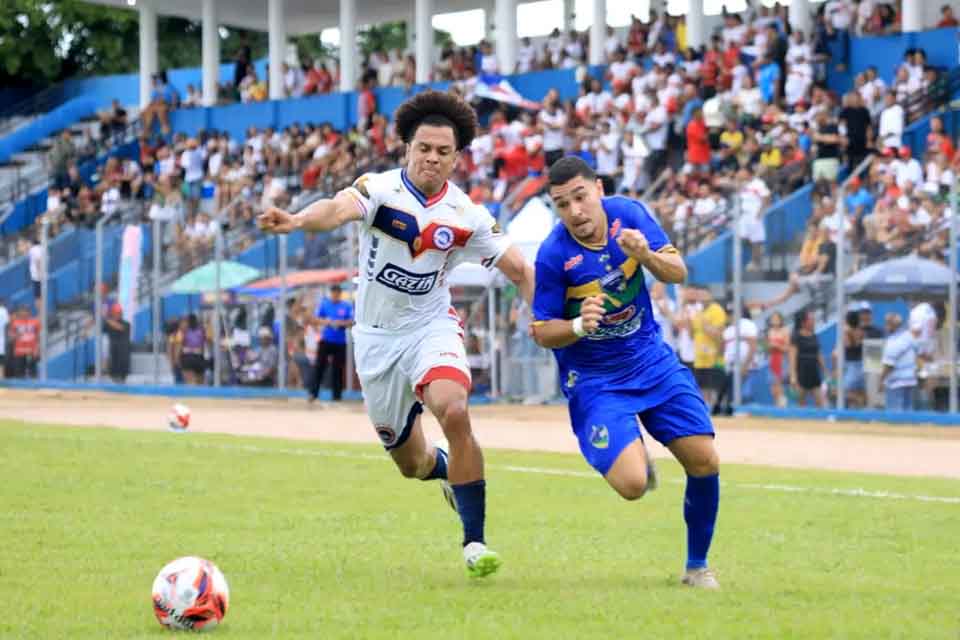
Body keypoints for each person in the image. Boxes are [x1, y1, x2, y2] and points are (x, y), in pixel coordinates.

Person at [257, 90, 536, 578]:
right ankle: (450, 472)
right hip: (375, 341)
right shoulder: (378, 189)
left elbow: (518, 267)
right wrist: (299, 219)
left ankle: (474, 541)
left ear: (456, 158)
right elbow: (337, 209)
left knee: (453, 407)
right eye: (423, 148)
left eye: (443, 151)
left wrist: (541, 316)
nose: (431, 158)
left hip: (431, 327)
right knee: (412, 464)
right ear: (407, 147)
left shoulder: (467, 216)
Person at [530, 157, 721, 589]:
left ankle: (697, 567)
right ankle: (628, 447)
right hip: (596, 381)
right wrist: (579, 324)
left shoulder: (630, 215)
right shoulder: (553, 255)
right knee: (633, 484)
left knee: (705, 459)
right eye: (562, 204)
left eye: (580, 197)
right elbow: (541, 330)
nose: (575, 211)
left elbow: (678, 271)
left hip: (650, 360)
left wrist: (646, 255)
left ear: (598, 189)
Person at [308, 284, 353, 403]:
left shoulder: (346, 306)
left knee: (337, 370)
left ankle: (337, 396)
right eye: (333, 292)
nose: (335, 295)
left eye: (337, 293)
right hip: (326, 340)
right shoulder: (325, 304)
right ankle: (313, 394)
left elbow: (351, 321)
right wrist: (327, 321)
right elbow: (316, 319)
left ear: (340, 293)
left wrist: (340, 323)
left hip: (340, 342)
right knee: (319, 367)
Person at [788, 309, 826, 407]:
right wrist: (793, 376)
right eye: (811, 319)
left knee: (821, 403)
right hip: (801, 374)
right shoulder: (796, 337)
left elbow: (818, 354)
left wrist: (825, 370)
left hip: (814, 374)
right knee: (801, 404)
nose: (813, 321)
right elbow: (792, 358)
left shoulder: (814, 336)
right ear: (803, 322)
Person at [103, 303, 131, 384]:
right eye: (116, 313)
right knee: (113, 366)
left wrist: (107, 319)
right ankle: (114, 379)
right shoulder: (108, 324)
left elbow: (120, 327)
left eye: (119, 313)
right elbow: (102, 329)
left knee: (122, 365)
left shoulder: (126, 324)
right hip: (113, 350)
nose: (118, 315)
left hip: (123, 350)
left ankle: (122, 379)